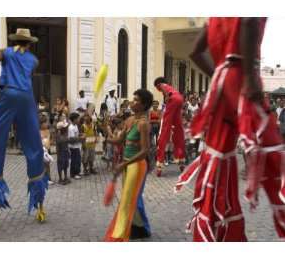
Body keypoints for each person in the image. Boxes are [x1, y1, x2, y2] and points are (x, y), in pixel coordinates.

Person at [175, 18, 285, 241]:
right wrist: (248, 79)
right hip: (242, 78)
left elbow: (196, 52)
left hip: (221, 84)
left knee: (217, 161)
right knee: (273, 156)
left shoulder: (215, 16)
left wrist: (219, 74)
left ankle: (216, 234)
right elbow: (247, 22)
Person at [0, 28, 49, 226]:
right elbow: (28, 75)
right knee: (33, 145)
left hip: (9, 94)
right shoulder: (33, 59)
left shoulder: (5, 52)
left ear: (15, 40)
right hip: (26, 98)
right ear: (29, 43)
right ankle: (40, 207)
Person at [104, 89, 153, 241]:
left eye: (137, 100)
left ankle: (136, 228)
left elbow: (145, 151)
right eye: (133, 99)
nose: (132, 102)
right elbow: (118, 141)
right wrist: (105, 133)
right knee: (132, 197)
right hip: (128, 164)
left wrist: (124, 163)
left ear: (144, 105)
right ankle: (139, 227)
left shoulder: (144, 124)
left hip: (137, 165)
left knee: (130, 197)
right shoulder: (130, 120)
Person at [154, 77, 186, 176]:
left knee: (165, 129)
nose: (158, 89)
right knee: (178, 128)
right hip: (180, 99)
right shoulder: (172, 87)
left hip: (173, 100)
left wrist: (167, 96)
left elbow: (162, 87)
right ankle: (181, 160)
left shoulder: (163, 85)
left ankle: (160, 163)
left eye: (157, 87)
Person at [56, 120, 74, 185]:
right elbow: (59, 143)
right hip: (61, 152)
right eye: (65, 127)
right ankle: (60, 178)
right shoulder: (58, 135)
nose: (66, 128)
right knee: (60, 165)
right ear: (61, 129)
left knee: (66, 165)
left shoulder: (65, 134)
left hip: (66, 151)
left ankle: (65, 177)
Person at [68, 112, 83, 179]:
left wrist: (81, 135)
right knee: (74, 160)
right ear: (74, 119)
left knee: (78, 159)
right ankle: (74, 173)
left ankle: (77, 171)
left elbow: (77, 134)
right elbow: (72, 138)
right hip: (73, 147)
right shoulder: (71, 128)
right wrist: (80, 138)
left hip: (77, 146)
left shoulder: (76, 126)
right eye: (78, 119)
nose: (79, 120)